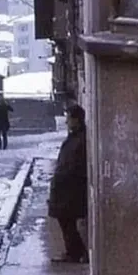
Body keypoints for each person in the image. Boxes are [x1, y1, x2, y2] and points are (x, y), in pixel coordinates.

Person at [48, 104, 88, 263]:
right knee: (65, 220)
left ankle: (76, 252)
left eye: (69, 118)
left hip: (71, 188)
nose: (66, 122)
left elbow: (75, 164)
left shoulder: (80, 139)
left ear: (77, 120)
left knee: (66, 219)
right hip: (65, 187)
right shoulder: (74, 137)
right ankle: (74, 252)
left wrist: (62, 177)